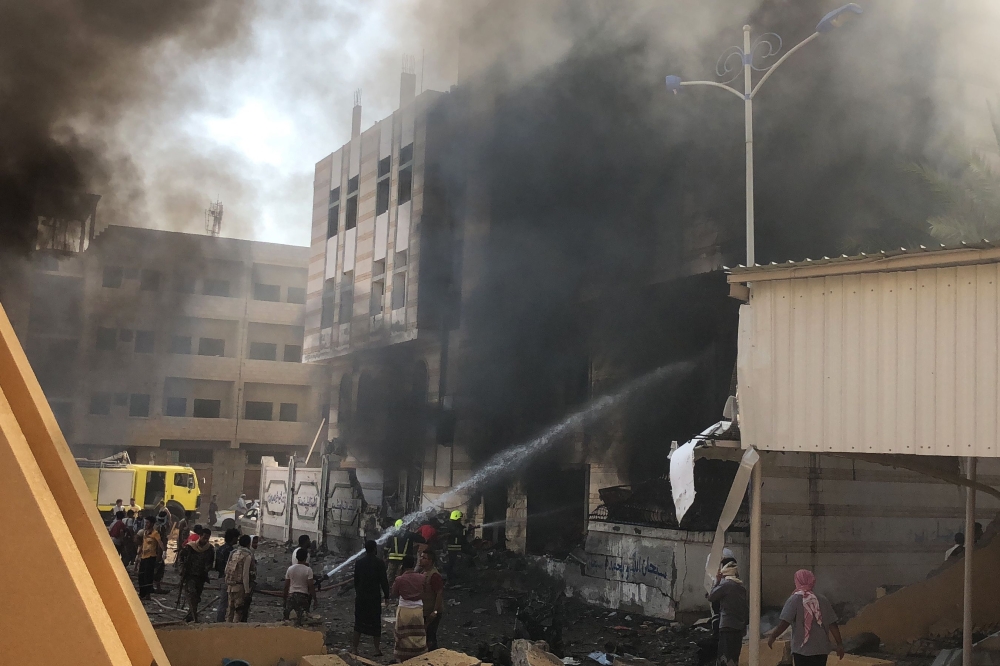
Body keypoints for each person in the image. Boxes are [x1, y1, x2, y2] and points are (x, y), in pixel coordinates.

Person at [767, 570, 844, 666]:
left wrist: (773, 636)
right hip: (821, 649)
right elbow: (832, 624)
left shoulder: (794, 600)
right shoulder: (823, 600)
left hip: (802, 650)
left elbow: (785, 623)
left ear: (797, 581)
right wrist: (839, 644)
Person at [708, 558, 749, 666]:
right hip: (739, 627)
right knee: (734, 656)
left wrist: (717, 581)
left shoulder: (725, 585)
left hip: (727, 625)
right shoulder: (741, 587)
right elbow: (745, 608)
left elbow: (712, 597)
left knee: (724, 655)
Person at [353, 540, 390, 656]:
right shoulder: (380, 563)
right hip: (374, 597)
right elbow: (384, 581)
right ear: (375, 549)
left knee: (358, 623)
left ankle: (354, 649)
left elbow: (356, 581)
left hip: (361, 597)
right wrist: (387, 596)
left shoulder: (359, 563)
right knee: (375, 624)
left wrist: (358, 592)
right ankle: (376, 649)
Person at [391, 554, 428, 662]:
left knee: (403, 634)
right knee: (418, 633)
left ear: (403, 565)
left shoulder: (400, 579)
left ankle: (403, 657)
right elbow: (424, 590)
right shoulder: (422, 577)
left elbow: (394, 593)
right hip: (418, 609)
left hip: (404, 608)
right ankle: (419, 654)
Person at [179, 528, 215, 623]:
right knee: (192, 594)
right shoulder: (190, 547)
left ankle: (191, 614)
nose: (205, 540)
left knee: (197, 597)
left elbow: (211, 562)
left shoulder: (210, 549)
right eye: (204, 537)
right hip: (190, 575)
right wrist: (182, 570)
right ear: (200, 536)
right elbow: (181, 558)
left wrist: (207, 568)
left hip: (201, 576)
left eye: (207, 538)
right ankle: (194, 617)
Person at [225, 534, 256, 622]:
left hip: (230, 585)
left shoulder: (233, 553)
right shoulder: (247, 556)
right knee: (238, 611)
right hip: (240, 586)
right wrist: (247, 591)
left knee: (230, 610)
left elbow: (226, 568)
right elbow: (245, 575)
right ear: (248, 544)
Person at [418, 549, 444, 651]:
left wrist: (435, 611)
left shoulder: (434, 575)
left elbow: (439, 593)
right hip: (425, 610)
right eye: (421, 557)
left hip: (432, 612)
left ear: (430, 561)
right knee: (427, 635)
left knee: (430, 636)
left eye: (424, 558)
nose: (421, 559)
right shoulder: (423, 572)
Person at [214, 528, 241, 622]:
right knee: (226, 603)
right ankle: (220, 622)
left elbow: (216, 566)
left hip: (220, 577)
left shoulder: (220, 549)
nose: (237, 540)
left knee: (224, 601)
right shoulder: (231, 551)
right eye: (236, 538)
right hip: (227, 579)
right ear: (233, 538)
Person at [283, 547, 316, 626]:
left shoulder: (290, 569)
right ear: (306, 558)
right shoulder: (308, 570)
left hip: (291, 597)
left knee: (287, 621)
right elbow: (311, 586)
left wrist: (284, 599)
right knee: (302, 621)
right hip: (303, 597)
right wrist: (315, 599)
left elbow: (286, 586)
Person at [137, 516, 162, 599]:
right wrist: (139, 552)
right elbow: (143, 543)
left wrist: (162, 553)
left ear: (152, 524)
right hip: (143, 557)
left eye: (147, 523)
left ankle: (148, 594)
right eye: (145, 522)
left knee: (148, 576)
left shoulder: (155, 533)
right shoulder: (145, 532)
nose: (146, 524)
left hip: (151, 557)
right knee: (141, 575)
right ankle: (142, 593)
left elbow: (160, 544)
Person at [240, 535, 259, 622]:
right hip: (244, 584)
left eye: (256, 542)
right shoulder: (248, 555)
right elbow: (245, 573)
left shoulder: (251, 553)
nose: (256, 544)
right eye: (254, 542)